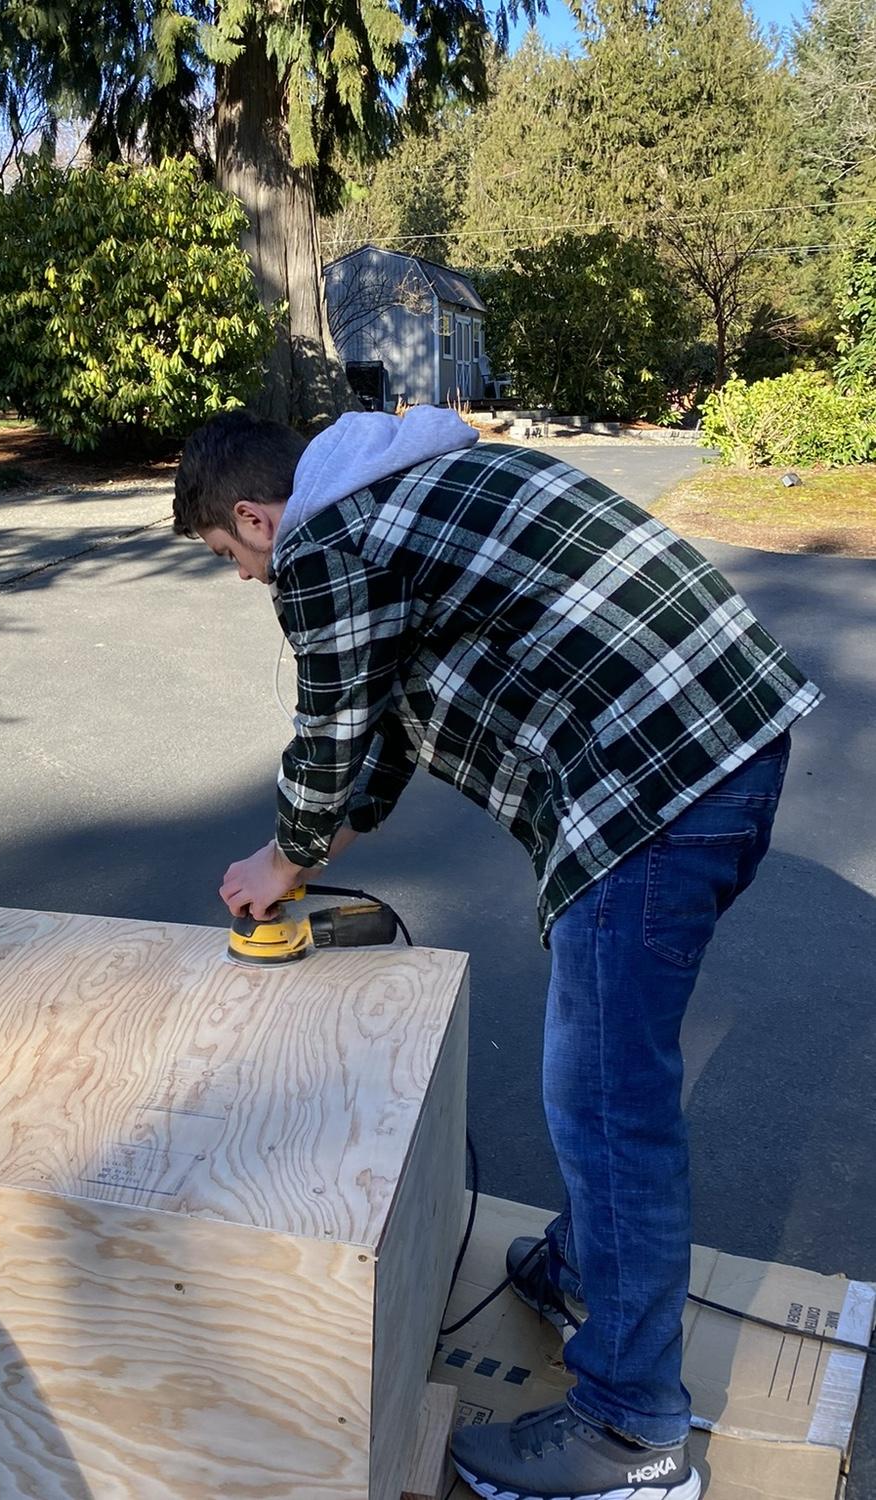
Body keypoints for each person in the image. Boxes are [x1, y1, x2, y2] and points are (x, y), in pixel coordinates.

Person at [174, 405, 821, 1500]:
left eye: (230, 557)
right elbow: (374, 752)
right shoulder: (411, 491)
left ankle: (631, 1435)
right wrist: (283, 851)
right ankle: (586, 1266)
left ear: (253, 515)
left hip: (653, 786)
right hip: (730, 742)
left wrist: (280, 864)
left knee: (608, 1103)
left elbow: (329, 733)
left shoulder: (325, 539)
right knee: (615, 1077)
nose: (245, 579)